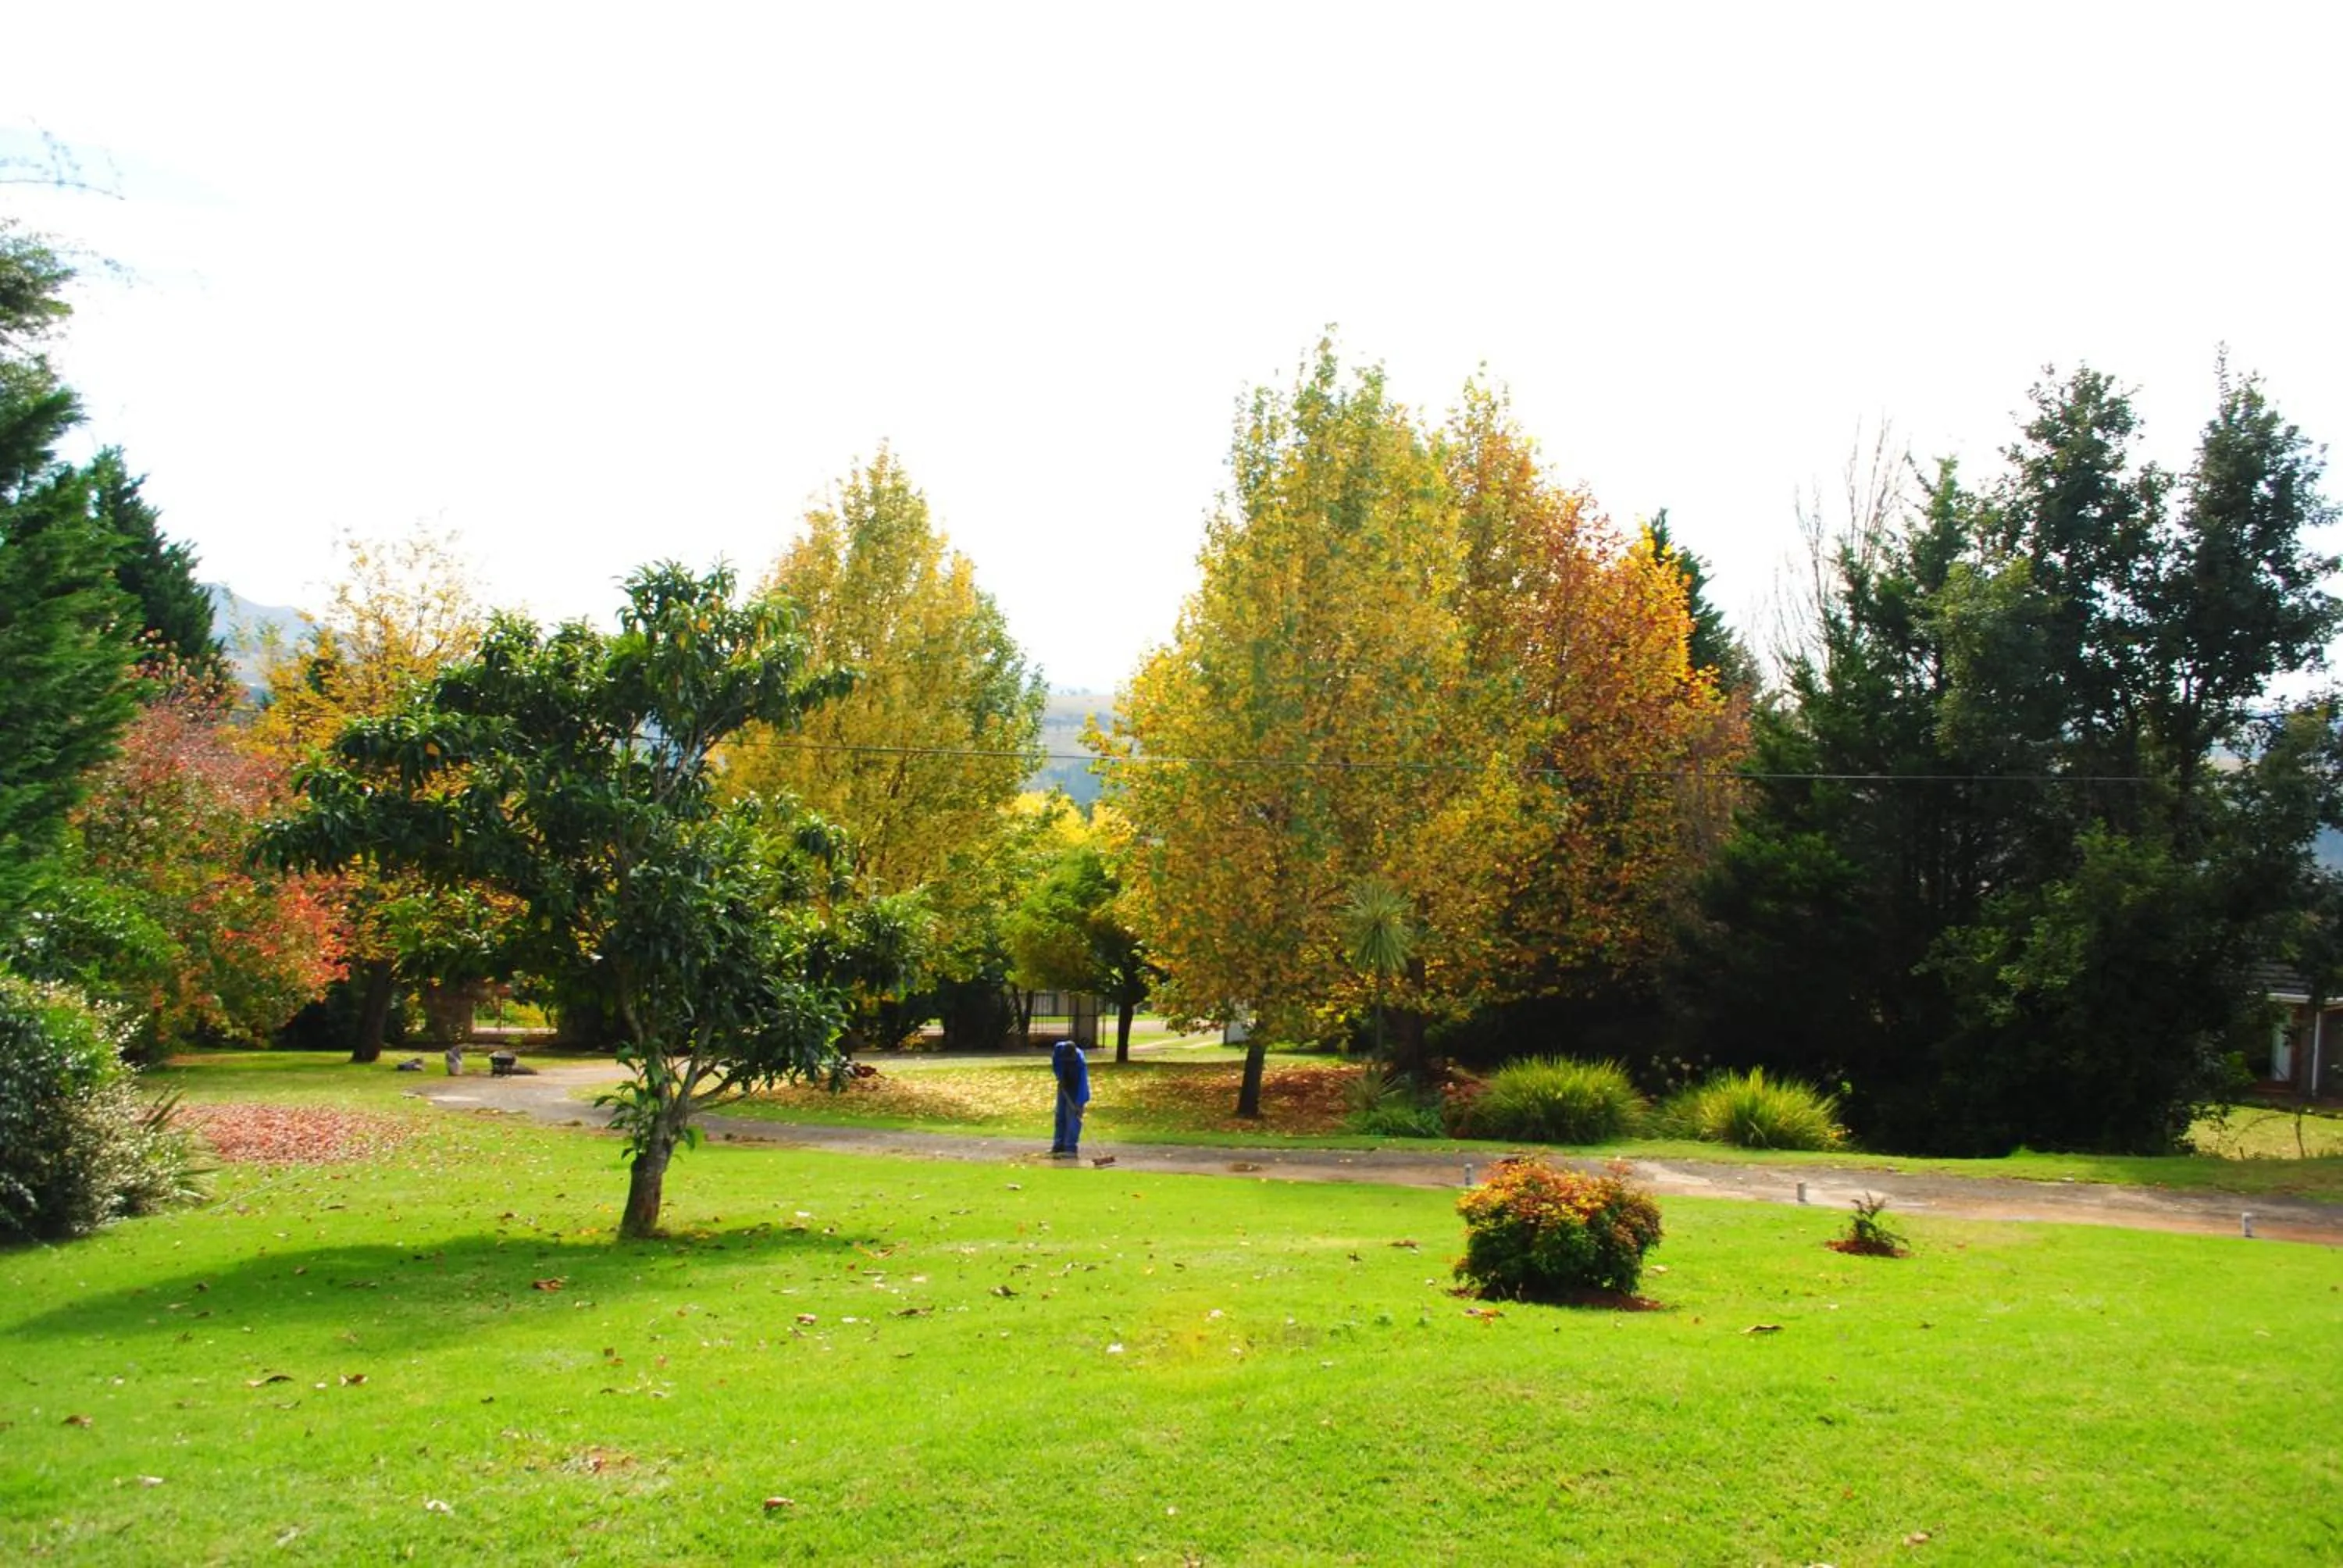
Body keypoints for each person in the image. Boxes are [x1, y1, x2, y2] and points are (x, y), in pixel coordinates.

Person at [1050, 1037, 1091, 1158]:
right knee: (1060, 1115)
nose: (1069, 1061)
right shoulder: (1058, 1049)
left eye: (1070, 1059)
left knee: (1073, 1117)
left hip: (1076, 1087)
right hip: (1064, 1083)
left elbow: (1083, 1084)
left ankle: (1070, 1148)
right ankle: (1059, 1145)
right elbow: (1056, 1063)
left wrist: (1079, 1103)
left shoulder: (1080, 1062)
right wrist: (1060, 1077)